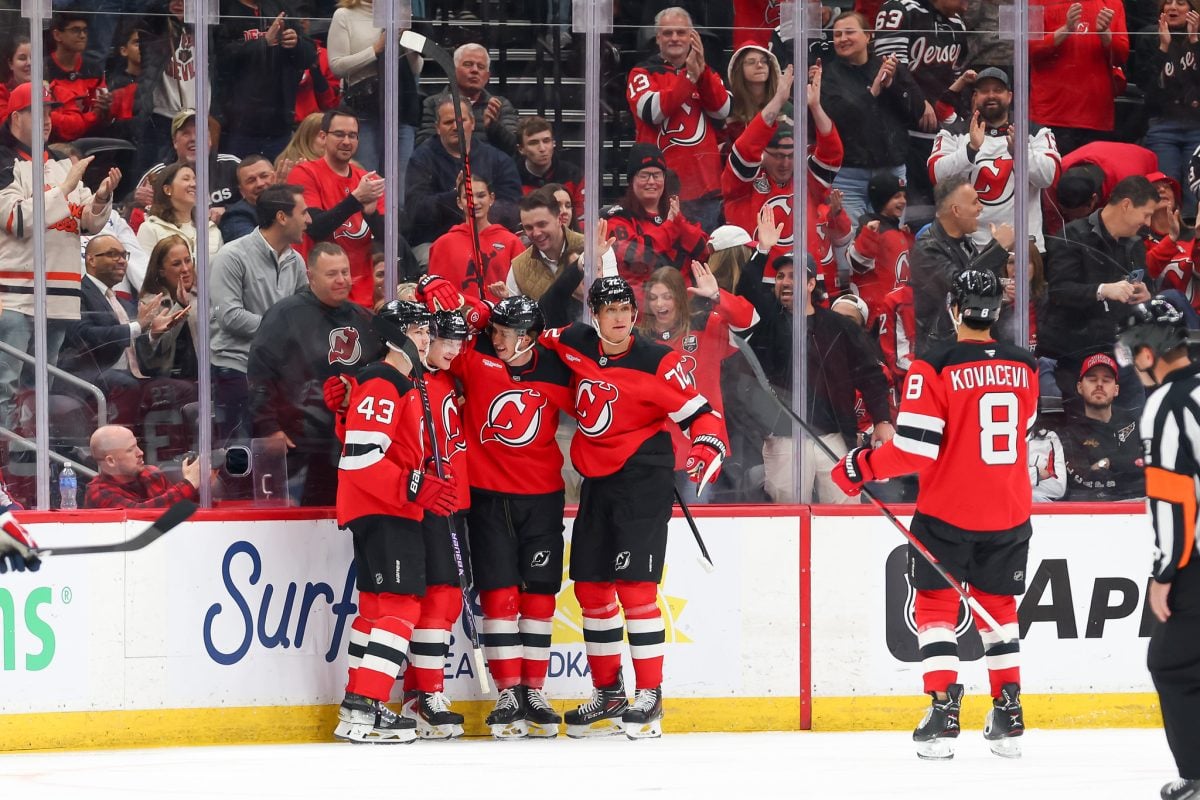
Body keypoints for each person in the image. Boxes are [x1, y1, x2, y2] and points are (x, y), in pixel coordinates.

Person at [832, 269, 1039, 760]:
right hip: (1009, 509)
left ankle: (944, 709)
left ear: (953, 309)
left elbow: (915, 452)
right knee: (999, 608)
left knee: (936, 607)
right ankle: (1008, 712)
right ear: (996, 312)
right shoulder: (1025, 365)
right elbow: (1022, 429)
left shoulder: (935, 366)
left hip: (949, 511)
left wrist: (860, 465)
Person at [536, 275, 728, 740]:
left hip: (643, 479)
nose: (619, 318)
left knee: (636, 589)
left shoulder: (659, 362)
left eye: (626, 309)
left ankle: (650, 696)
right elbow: (528, 333)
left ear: (634, 314)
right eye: (610, 311)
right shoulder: (575, 342)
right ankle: (610, 694)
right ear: (595, 316)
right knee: (592, 590)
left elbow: (704, 416)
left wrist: (706, 447)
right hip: (597, 482)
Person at [435, 290, 573, 738]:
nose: (496, 339)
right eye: (494, 331)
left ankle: (534, 689)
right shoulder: (475, 361)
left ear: (530, 336)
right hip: (489, 496)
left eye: (506, 333)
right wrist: (458, 301)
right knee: (498, 596)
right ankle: (508, 692)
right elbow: (434, 354)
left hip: (543, 497)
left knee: (539, 597)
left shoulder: (557, 368)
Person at [331, 300, 455, 744]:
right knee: (401, 607)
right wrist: (416, 486)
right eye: (419, 331)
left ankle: (356, 705)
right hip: (384, 506)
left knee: (376, 611)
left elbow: (359, 443)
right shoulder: (385, 381)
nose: (427, 339)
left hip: (381, 506)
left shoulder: (395, 381)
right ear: (395, 336)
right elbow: (361, 460)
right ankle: (367, 706)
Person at [738, 207, 894, 503]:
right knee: (785, 518)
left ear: (811, 284)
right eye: (781, 276)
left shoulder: (837, 325)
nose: (786, 282)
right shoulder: (768, 322)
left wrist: (883, 419)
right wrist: (763, 249)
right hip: (784, 437)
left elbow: (870, 373)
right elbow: (746, 292)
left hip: (834, 436)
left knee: (845, 516)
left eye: (795, 276)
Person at [1117, 297, 1200, 800]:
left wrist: (1164, 571)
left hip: (1195, 562)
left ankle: (1195, 775)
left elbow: (1174, 500)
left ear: (1150, 354)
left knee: (1171, 664)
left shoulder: (1166, 405)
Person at [0, 81, 119, 421]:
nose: (48, 120)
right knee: (6, 388)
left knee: (40, 392)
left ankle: (27, 463)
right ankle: (5, 467)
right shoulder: (5, 162)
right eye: (37, 112)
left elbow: (86, 223)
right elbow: (16, 219)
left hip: (59, 296)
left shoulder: (62, 164)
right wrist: (65, 189)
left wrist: (101, 198)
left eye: (50, 111)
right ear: (15, 117)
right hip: (16, 297)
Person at [247, 242, 382, 506]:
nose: (342, 280)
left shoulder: (363, 318)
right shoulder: (285, 315)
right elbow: (260, 372)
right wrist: (269, 426)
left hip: (352, 440)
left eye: (345, 272)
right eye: (332, 274)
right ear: (311, 276)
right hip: (303, 444)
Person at [397, 310, 470, 740]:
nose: (453, 350)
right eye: (446, 341)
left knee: (447, 599)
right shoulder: (410, 381)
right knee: (438, 598)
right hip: (425, 502)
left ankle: (417, 693)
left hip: (454, 501)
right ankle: (428, 696)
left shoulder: (447, 380)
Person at [724, 62, 849, 293]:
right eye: (778, 156)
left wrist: (815, 107)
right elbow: (745, 149)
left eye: (792, 156)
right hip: (759, 281)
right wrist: (778, 100)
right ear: (763, 153)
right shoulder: (743, 182)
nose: (785, 163)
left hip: (806, 281)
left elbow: (833, 154)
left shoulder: (806, 179)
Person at [640, 262, 758, 498]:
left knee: (696, 517)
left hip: (699, 444)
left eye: (667, 297)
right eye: (653, 298)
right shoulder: (639, 337)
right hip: (652, 447)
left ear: (681, 298)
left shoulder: (707, 326)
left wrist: (717, 295)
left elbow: (749, 320)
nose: (659, 304)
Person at [1039, 175, 1159, 402]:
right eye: (1146, 214)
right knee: (1087, 432)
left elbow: (1148, 283)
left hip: (1121, 351)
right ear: (1126, 205)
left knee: (1135, 423)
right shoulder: (1072, 235)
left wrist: (1147, 293)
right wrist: (1103, 290)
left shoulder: (1135, 244)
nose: (1148, 223)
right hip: (1075, 354)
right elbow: (1059, 292)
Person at [209, 184, 309, 443]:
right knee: (242, 456)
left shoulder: (296, 260)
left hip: (279, 371)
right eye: (303, 213)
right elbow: (229, 316)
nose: (308, 220)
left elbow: (304, 312)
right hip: (237, 370)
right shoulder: (231, 256)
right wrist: (280, 329)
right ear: (282, 217)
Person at [927, 67, 1062, 253]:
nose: (991, 95)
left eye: (998, 90)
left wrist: (1020, 154)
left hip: (1023, 249)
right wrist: (970, 150)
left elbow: (1048, 177)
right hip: (969, 248)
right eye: (984, 91)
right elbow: (936, 176)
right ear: (975, 97)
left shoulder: (1035, 133)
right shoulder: (954, 133)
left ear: (1009, 96)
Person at [57, 234, 186, 422]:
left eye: (124, 255)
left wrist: (152, 334)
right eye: (112, 254)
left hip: (131, 376)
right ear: (91, 259)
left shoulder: (123, 303)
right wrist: (138, 326)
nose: (121, 261)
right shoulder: (79, 293)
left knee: (187, 389)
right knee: (127, 384)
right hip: (91, 376)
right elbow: (85, 335)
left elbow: (135, 348)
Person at [626, 7, 731, 232]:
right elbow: (652, 112)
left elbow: (723, 111)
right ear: (657, 38)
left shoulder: (707, 73)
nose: (675, 38)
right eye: (668, 33)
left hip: (704, 190)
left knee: (703, 259)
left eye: (681, 33)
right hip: (658, 190)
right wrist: (689, 76)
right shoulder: (641, 73)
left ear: (693, 37)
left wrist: (701, 74)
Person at [821, 11, 927, 226]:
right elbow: (837, 118)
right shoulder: (827, 75)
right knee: (853, 244)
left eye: (849, 32)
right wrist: (872, 93)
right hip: (849, 176)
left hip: (891, 172)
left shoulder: (890, 68)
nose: (842, 39)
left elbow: (916, 112)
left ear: (869, 35)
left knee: (889, 242)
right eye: (837, 34)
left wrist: (892, 86)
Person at [872, 0, 969, 218]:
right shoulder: (899, 8)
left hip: (940, 133)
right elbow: (889, 65)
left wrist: (955, 118)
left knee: (943, 210)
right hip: (901, 131)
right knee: (908, 211)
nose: (967, 4)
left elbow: (956, 75)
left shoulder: (957, 23)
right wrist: (919, 102)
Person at [910, 175, 1014, 356]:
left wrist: (1004, 291)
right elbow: (962, 286)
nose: (980, 208)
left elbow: (978, 282)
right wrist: (997, 248)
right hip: (940, 352)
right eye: (975, 203)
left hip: (967, 343)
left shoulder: (964, 243)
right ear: (956, 210)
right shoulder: (927, 248)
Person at [290, 109, 384, 307]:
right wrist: (356, 199)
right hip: (319, 296)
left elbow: (389, 239)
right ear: (323, 137)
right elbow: (315, 227)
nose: (347, 141)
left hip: (362, 295)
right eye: (339, 134)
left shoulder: (368, 180)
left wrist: (371, 213)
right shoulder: (305, 173)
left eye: (352, 135)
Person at [406, 96, 522, 256]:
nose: (456, 127)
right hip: (436, 240)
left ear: (473, 123)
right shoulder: (421, 159)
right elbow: (415, 210)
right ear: (437, 128)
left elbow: (514, 209)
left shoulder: (498, 159)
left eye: (461, 121)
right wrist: (456, 195)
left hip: (490, 238)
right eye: (448, 122)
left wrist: (479, 204)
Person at [215, 0, 315, 159]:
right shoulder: (224, 9)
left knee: (277, 179)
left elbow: (309, 56)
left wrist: (296, 43)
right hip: (237, 124)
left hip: (278, 122)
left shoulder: (280, 6)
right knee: (239, 177)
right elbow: (220, 58)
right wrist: (263, 42)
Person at [1029, 0, 1130, 155]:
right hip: (1051, 114)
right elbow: (1028, 50)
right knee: (1050, 177)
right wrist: (1066, 29)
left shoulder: (1112, 3)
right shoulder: (1036, 1)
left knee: (1090, 178)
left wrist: (1105, 34)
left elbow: (1121, 56)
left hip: (1095, 115)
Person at [604, 144, 708, 295]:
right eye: (644, 175)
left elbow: (703, 253)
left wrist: (680, 223)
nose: (651, 182)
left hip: (685, 306)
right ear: (632, 180)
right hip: (641, 308)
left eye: (657, 175)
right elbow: (637, 257)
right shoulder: (618, 219)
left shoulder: (679, 214)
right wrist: (671, 227)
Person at [1134, 0, 1200, 217]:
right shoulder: (1148, 37)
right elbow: (1145, 86)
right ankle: (1165, 244)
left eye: (1180, 3)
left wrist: (1194, 42)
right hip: (1162, 125)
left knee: (1195, 192)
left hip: (1197, 127)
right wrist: (1163, 47)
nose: (1172, 8)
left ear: (1193, 11)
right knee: (1164, 190)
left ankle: (1193, 245)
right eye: (1167, 3)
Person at [1054, 351, 1145, 500]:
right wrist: (1128, 465)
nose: (1099, 384)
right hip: (1095, 511)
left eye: (1107, 380)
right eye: (1092, 379)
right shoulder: (1069, 435)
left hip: (1141, 505)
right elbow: (1084, 481)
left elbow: (1152, 464)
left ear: (1116, 390)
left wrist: (1108, 463)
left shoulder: (1137, 423)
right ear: (1080, 387)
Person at [428, 173, 523, 301]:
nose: (475, 202)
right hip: (459, 318)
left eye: (481, 196)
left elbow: (523, 291)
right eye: (468, 197)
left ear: (492, 198)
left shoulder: (511, 242)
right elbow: (435, 295)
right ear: (459, 202)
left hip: (500, 319)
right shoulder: (442, 245)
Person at [133, 110, 242, 220]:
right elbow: (128, 211)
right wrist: (136, 200)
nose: (193, 139)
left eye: (199, 132)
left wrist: (228, 211)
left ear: (209, 140)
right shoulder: (159, 174)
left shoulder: (232, 166)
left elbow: (256, 199)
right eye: (186, 133)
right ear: (175, 142)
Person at [416, 43, 520, 156]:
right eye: (468, 64)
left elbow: (516, 148)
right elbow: (422, 146)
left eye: (481, 67)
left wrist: (493, 128)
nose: (475, 70)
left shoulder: (499, 105)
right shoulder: (433, 103)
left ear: (487, 76)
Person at [847, 171, 913, 325]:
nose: (903, 201)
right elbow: (858, 264)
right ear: (883, 200)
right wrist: (869, 235)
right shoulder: (872, 228)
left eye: (904, 196)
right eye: (897, 197)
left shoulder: (897, 231)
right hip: (876, 315)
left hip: (897, 310)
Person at [85, 424, 203, 508]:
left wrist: (202, 487)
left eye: (137, 445)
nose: (140, 452)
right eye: (130, 450)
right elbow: (138, 517)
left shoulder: (152, 474)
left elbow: (180, 507)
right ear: (111, 461)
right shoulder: (99, 493)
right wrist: (189, 483)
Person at [46, 10, 115, 143]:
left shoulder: (93, 68)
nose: (82, 35)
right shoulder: (43, 68)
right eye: (75, 30)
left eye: (84, 30)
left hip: (90, 139)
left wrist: (107, 109)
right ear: (57, 35)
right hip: (53, 140)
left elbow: (101, 113)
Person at [136, 235, 198, 381]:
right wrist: (180, 306)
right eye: (176, 264)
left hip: (204, 379)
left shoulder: (203, 296)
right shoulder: (151, 303)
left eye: (188, 261)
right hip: (169, 382)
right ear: (161, 271)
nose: (185, 269)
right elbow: (156, 353)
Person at [136, 161, 224, 259]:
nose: (194, 184)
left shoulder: (211, 229)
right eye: (186, 179)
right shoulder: (150, 229)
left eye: (195, 179)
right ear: (168, 190)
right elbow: (144, 271)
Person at [515, 116, 583, 227]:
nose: (542, 148)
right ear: (521, 149)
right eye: (533, 143)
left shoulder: (574, 175)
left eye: (546, 141)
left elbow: (582, 219)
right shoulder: (511, 178)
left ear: (553, 143)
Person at [722, 43, 782, 158]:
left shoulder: (784, 106)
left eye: (764, 61)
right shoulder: (729, 108)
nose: (760, 65)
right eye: (751, 62)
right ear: (739, 69)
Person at [220, 154, 278, 243]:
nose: (260, 184)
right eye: (251, 180)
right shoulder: (235, 215)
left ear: (275, 178)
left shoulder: (294, 201)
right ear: (242, 191)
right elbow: (255, 247)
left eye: (264, 176)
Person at [0, 35, 30, 120]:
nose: (29, 63)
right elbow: (6, 124)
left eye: (34, 57)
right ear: (10, 64)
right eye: (22, 58)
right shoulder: (2, 92)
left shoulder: (44, 88)